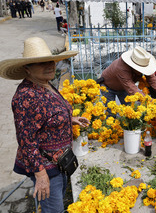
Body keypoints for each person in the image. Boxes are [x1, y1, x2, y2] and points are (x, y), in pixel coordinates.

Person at [0, 37, 90, 213]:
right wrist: (40, 175)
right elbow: (26, 140)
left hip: (59, 162)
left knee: (58, 202)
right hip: (46, 166)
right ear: (28, 68)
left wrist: (70, 119)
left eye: (51, 61)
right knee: (53, 209)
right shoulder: (26, 96)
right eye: (41, 63)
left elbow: (46, 117)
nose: (49, 66)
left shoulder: (45, 84)